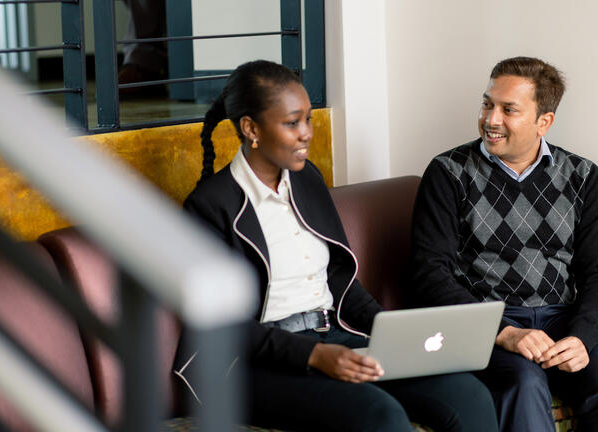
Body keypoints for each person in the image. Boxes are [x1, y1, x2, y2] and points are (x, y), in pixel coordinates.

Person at [177, 60, 498, 432]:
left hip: (333, 334)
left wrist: (394, 332)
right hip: (250, 365)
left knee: (468, 395)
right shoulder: (209, 205)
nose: (306, 134)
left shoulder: (306, 179)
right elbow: (224, 326)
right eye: (292, 122)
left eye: (309, 120)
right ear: (251, 128)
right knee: (380, 415)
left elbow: (339, 282)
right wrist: (315, 355)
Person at [408, 57, 598, 432]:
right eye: (487, 104)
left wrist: (582, 337)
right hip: (486, 323)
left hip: (563, 320)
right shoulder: (448, 173)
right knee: (524, 383)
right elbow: (428, 272)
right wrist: (504, 331)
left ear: (543, 121)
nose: (490, 119)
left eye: (508, 109)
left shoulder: (583, 177)